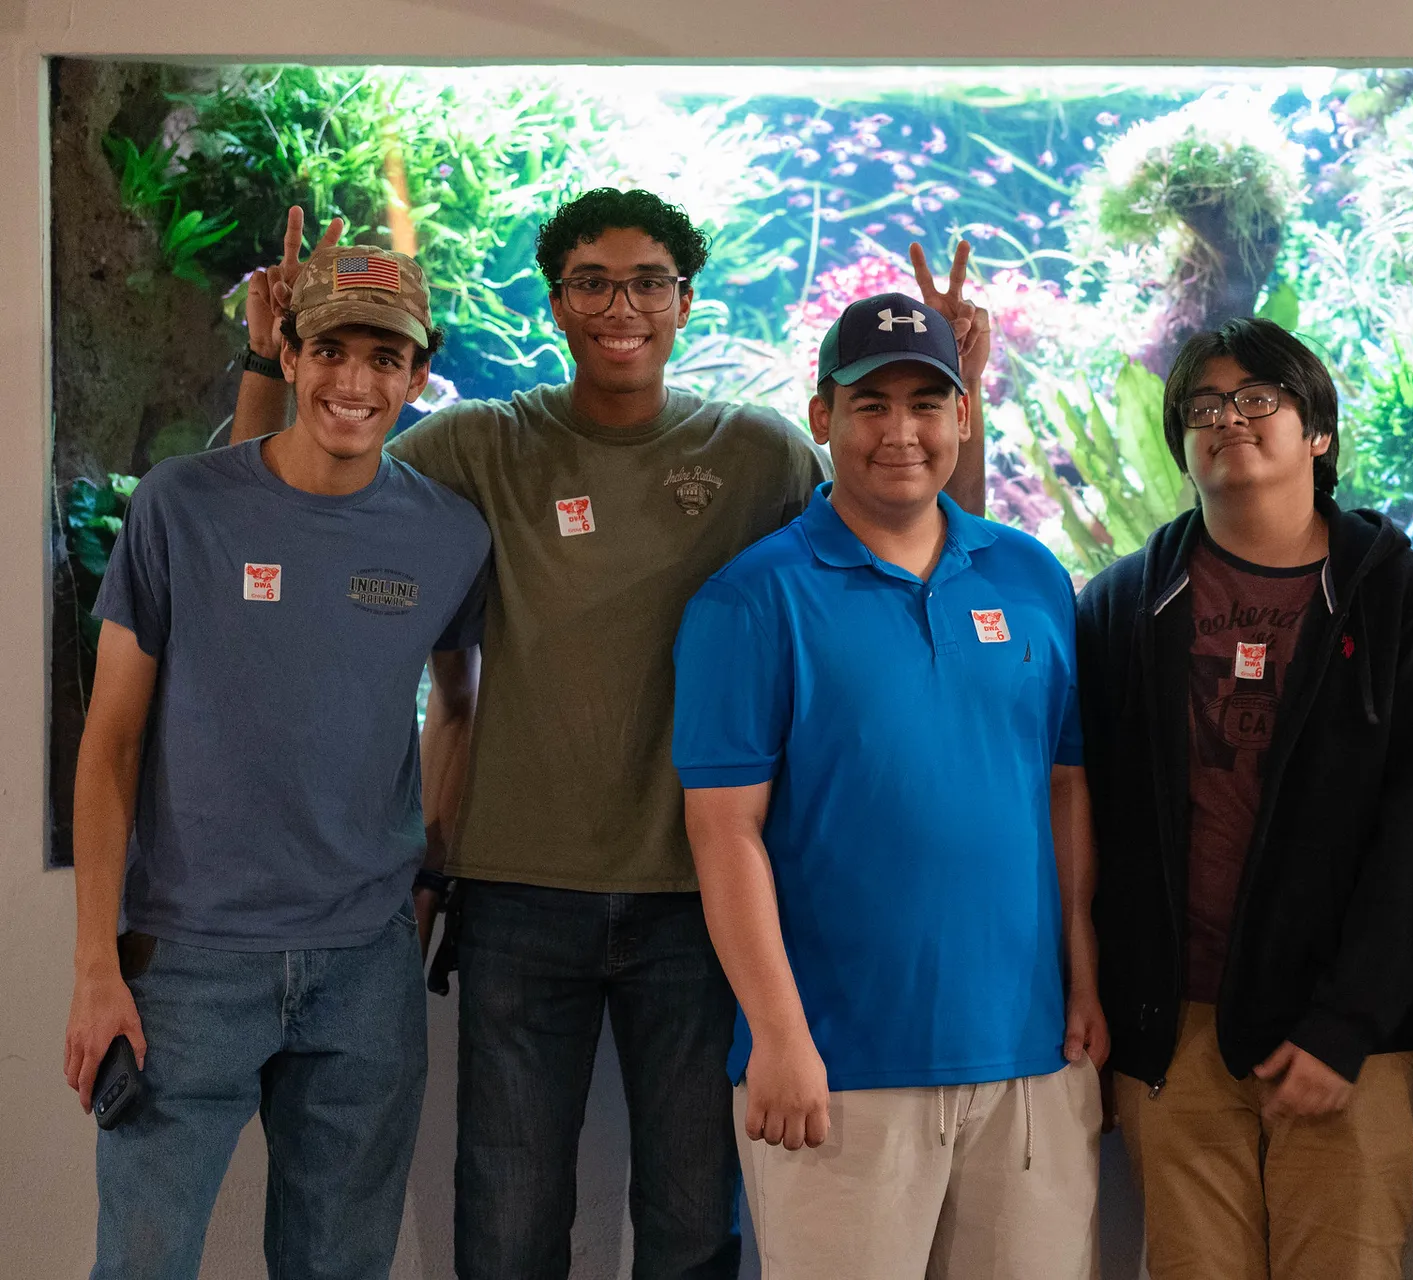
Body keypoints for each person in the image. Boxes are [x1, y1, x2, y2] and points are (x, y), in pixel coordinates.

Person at [230, 191, 987, 1279]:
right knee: (508, 1215)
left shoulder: (759, 453)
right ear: (555, 303)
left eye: (645, 282)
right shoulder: (490, 444)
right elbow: (275, 502)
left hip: (701, 901)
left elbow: (911, 531)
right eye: (591, 281)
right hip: (518, 895)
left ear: (685, 301)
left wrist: (968, 398)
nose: (618, 305)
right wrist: (269, 362)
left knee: (689, 1219)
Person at [63, 245, 490, 1280]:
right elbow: (110, 739)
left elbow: (460, 707)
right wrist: (94, 968)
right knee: (143, 1260)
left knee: (342, 1262)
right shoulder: (181, 505)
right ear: (288, 354)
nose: (356, 380)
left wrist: (425, 878)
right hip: (189, 963)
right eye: (331, 348)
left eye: (384, 355)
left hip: (364, 970)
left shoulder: (448, 533)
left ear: (419, 371)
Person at [672, 291, 1105, 1279]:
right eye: (871, 405)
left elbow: (1064, 787)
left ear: (963, 415)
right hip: (839, 1067)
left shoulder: (1030, 577)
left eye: (926, 401)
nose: (900, 431)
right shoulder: (751, 600)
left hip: (1032, 1060)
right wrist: (779, 1034)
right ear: (821, 417)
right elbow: (723, 834)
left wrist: (1083, 976)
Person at [1075, 317, 1413, 1279]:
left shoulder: (1398, 600)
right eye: (1203, 406)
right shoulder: (1125, 604)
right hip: (1172, 1033)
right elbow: (1079, 813)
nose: (1229, 420)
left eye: (1259, 399)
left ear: (1317, 432)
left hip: (1340, 1037)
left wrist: (1345, 1026)